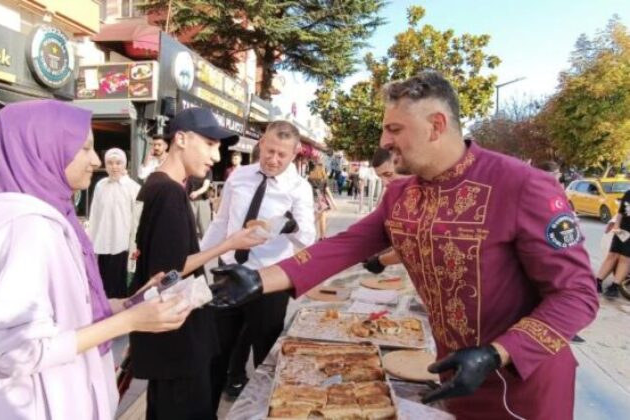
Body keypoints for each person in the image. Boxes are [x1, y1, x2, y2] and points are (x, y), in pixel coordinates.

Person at [209, 71, 599, 420]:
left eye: (394, 129)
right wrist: (259, 280)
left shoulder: (522, 185)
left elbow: (578, 295)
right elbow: (345, 245)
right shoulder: (402, 196)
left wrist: (499, 352)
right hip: (450, 374)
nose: (384, 141)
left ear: (436, 125)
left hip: (521, 385)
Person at [0, 100, 193, 419]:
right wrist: (127, 323)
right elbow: (7, 348)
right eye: (84, 149)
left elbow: (70, 309)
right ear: (44, 149)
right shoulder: (27, 229)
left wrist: (129, 304)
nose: (95, 161)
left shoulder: (57, 217)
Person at [129, 107, 265, 420]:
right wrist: (230, 243)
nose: (216, 157)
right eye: (209, 144)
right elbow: (169, 273)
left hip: (167, 337)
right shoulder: (169, 193)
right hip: (177, 339)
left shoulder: (157, 185)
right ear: (180, 138)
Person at [201, 120, 315, 404]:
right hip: (228, 274)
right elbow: (222, 221)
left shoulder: (299, 188)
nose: (274, 160)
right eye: (270, 151)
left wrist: (289, 226)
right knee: (216, 352)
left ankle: (265, 409)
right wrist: (197, 260)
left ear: (295, 153)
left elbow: (308, 238)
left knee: (265, 354)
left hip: (270, 280)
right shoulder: (239, 175)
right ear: (261, 142)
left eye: (282, 155)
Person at [88, 148, 141, 298]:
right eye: (110, 163)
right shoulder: (100, 186)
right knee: (103, 286)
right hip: (103, 244)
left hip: (123, 245)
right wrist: (90, 242)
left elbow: (137, 219)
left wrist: (136, 245)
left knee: (120, 288)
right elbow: (95, 215)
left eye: (118, 163)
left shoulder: (133, 188)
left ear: (125, 164)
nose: (114, 167)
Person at [595, 187, 630, 298]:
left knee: (625, 258)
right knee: (612, 255)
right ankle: (598, 282)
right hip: (622, 229)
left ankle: (615, 286)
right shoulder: (628, 193)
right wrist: (616, 225)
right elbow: (620, 212)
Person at [307, 162, 333, 240]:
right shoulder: (323, 179)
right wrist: (333, 202)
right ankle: (322, 236)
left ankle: (322, 236)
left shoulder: (310, 178)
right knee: (321, 218)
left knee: (318, 217)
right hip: (321, 200)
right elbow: (327, 191)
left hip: (313, 199)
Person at [187, 170, 213, 238]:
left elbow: (205, 186)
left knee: (204, 228)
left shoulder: (207, 171)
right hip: (189, 201)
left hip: (202, 201)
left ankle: (206, 247)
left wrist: (197, 192)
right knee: (189, 228)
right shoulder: (189, 169)